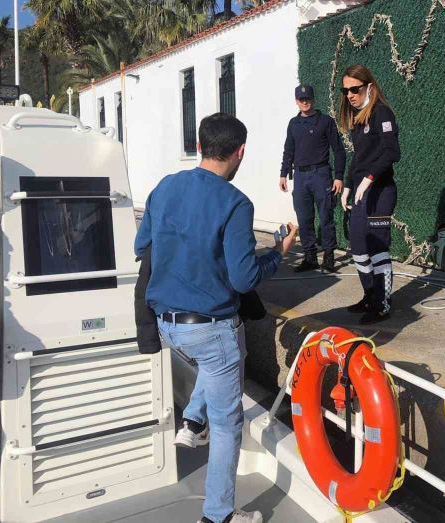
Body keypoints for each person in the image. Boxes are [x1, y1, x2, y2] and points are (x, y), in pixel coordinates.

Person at [134, 113, 297, 523]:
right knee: (228, 422)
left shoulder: (164, 188)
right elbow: (244, 277)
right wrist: (279, 253)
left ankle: (192, 420)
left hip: (168, 326)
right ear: (239, 152)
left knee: (223, 353)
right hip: (209, 329)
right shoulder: (236, 203)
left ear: (200, 146)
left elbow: (144, 248)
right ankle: (218, 515)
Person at [337, 65, 401, 325]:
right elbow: (358, 159)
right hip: (362, 192)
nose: (350, 95)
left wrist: (370, 178)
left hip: (381, 191)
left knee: (377, 248)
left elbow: (391, 152)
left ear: (369, 87)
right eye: (346, 90)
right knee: (359, 247)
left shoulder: (381, 114)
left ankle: (382, 304)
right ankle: (369, 294)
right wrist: (350, 185)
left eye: (355, 89)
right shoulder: (358, 119)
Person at [279, 84, 347, 272]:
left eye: (308, 98)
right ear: (296, 101)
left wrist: (339, 177)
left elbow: (339, 151)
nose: (305, 102)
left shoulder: (325, 121)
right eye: (301, 99)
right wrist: (283, 174)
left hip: (321, 174)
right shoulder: (293, 124)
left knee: (326, 216)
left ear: (313, 99)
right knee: (304, 217)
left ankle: (329, 257)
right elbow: (288, 150)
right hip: (300, 176)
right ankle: (310, 257)